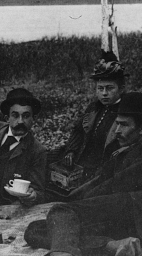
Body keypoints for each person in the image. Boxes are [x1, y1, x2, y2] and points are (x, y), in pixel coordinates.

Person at [24, 92, 142, 256]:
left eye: (123, 125)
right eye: (116, 124)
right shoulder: (127, 149)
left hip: (139, 216)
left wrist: (78, 207)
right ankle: (112, 245)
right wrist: (74, 202)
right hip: (117, 213)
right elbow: (98, 180)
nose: (117, 131)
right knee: (35, 230)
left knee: (62, 214)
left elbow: (118, 183)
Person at [47, 51, 126, 195]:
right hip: (82, 159)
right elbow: (78, 130)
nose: (104, 93)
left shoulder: (126, 112)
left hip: (106, 165)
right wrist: (71, 150)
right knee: (48, 159)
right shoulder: (94, 108)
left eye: (109, 88)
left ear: (121, 89)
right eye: (100, 88)